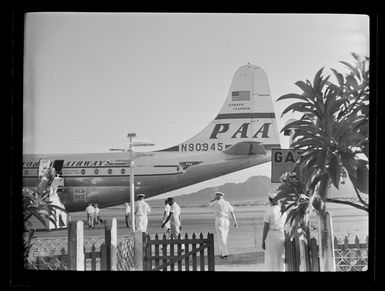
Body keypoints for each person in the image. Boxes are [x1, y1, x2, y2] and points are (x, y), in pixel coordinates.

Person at [262, 193, 287, 271]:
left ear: (270, 201)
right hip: (281, 234)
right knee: (281, 255)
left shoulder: (268, 211)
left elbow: (266, 227)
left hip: (271, 235)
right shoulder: (283, 211)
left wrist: (263, 240)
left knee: (271, 256)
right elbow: (285, 225)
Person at [208, 192, 238, 259]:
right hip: (227, 221)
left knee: (221, 237)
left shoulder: (216, 202)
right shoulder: (227, 203)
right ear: (222, 196)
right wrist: (235, 221)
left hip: (219, 219)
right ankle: (222, 253)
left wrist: (214, 199)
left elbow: (209, 204)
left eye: (216, 195)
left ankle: (225, 254)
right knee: (224, 237)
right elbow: (232, 212)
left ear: (217, 196)